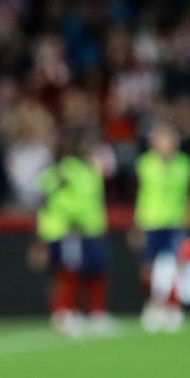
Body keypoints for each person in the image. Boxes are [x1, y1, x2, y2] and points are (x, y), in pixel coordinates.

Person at [34, 137, 113, 337]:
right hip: (69, 229)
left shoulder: (89, 170)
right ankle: (64, 312)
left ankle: (92, 312)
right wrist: (71, 220)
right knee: (68, 272)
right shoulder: (64, 171)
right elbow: (56, 200)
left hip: (90, 228)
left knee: (93, 271)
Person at [132, 123, 190, 332]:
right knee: (148, 269)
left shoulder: (184, 164)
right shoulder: (145, 164)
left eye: (170, 139)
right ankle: (153, 305)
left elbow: (183, 191)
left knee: (174, 266)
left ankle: (172, 307)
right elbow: (140, 194)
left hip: (175, 222)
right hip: (150, 221)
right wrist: (137, 224)